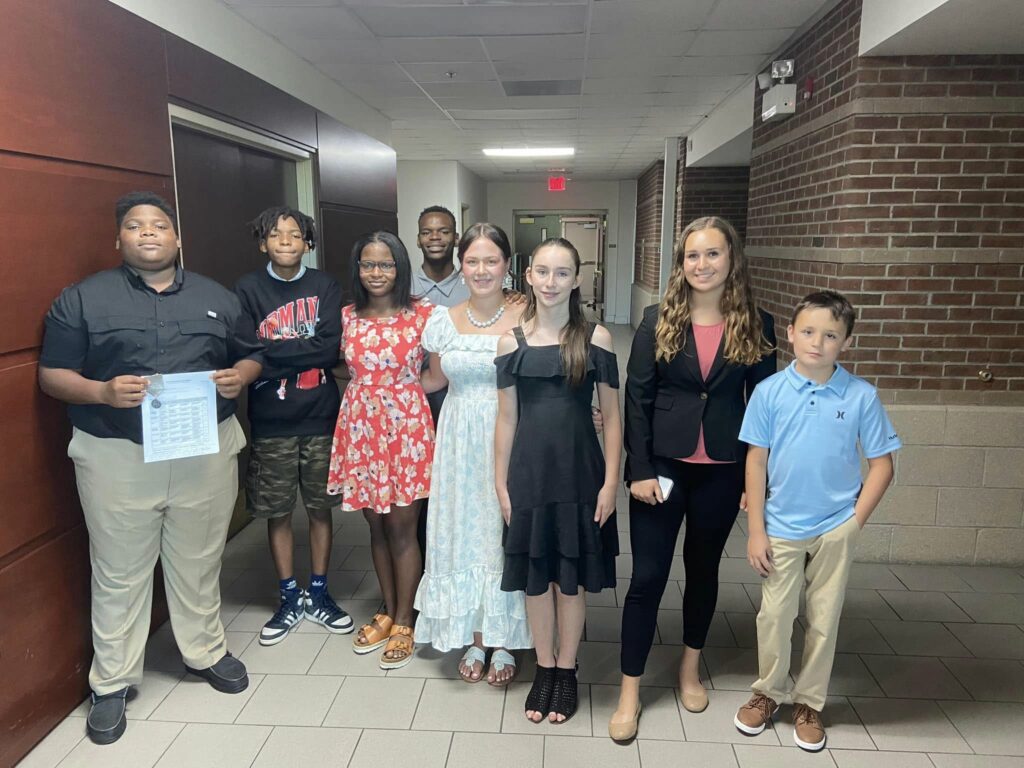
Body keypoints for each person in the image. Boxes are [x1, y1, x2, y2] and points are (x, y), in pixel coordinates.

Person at [38, 192, 263, 745]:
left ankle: (205, 652)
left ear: (176, 237)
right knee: (119, 570)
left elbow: (252, 353)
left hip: (202, 451)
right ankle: (112, 682)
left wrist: (242, 375)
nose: (147, 234)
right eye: (134, 227)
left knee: (200, 558)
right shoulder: (83, 299)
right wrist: (101, 391)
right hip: (118, 452)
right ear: (119, 240)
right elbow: (51, 374)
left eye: (159, 225)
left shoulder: (218, 297)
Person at [610, 216, 776, 742]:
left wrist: (756, 483)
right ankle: (630, 691)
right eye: (691, 256)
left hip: (723, 473)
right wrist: (637, 471)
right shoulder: (657, 319)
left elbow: (764, 410)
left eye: (712, 254)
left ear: (732, 260)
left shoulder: (758, 322)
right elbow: (635, 396)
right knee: (647, 580)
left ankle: (688, 669)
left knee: (703, 573)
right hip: (661, 470)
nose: (701, 265)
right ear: (680, 264)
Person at [734, 290, 900, 752]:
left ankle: (809, 702)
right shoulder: (769, 393)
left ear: (846, 342)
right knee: (775, 615)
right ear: (789, 334)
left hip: (835, 527)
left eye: (830, 335)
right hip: (782, 525)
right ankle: (769, 691)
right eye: (807, 331)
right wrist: (757, 530)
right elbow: (756, 462)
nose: (817, 342)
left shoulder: (861, 396)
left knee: (824, 618)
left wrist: (852, 523)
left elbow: (882, 465)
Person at [494, 237, 622, 725]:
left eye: (562, 273)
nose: (551, 282)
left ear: (576, 279)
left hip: (579, 474)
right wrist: (502, 485)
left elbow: (611, 417)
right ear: (528, 275)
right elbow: (506, 420)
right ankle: (543, 669)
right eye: (543, 272)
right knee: (535, 580)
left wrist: (611, 483)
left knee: (569, 581)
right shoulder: (513, 342)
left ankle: (566, 672)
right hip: (528, 473)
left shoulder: (596, 339)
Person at [414, 223, 532, 686]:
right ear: (461, 266)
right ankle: (477, 635)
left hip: (514, 432)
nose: (481, 270)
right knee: (466, 533)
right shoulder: (442, 320)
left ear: (507, 266)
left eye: (492, 260)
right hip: (459, 437)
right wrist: (378, 389)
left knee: (503, 531)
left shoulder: (528, 316)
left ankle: (506, 638)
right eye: (472, 261)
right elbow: (435, 381)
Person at [234, 206, 350, 647]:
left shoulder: (324, 286)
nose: (285, 240)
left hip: (321, 418)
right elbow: (247, 348)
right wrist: (298, 350)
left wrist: (274, 352)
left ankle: (319, 592)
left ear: (307, 242)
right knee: (277, 511)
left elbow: (329, 349)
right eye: (276, 234)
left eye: (295, 234)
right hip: (270, 422)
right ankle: (288, 595)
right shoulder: (246, 288)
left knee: (320, 509)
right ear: (263, 242)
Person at [327, 231, 433, 670]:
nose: (376, 273)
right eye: (368, 264)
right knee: (376, 526)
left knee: (404, 528)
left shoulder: (424, 314)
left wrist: (401, 399)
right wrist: (366, 397)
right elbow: (337, 364)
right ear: (357, 269)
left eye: (385, 264)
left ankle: (407, 619)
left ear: (400, 267)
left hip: (405, 429)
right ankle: (388, 609)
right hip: (361, 429)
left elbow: (440, 375)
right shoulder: (347, 316)